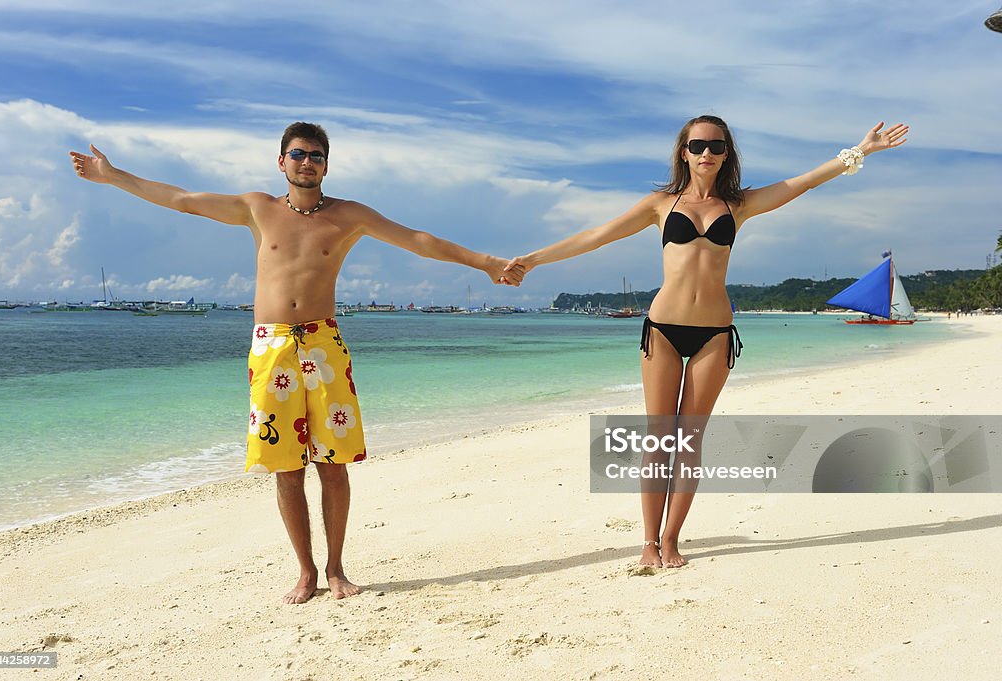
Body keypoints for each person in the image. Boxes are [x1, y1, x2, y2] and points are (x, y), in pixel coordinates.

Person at [69, 122, 524, 603]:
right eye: (298, 154)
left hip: (323, 345)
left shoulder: (350, 216)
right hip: (271, 349)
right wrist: (114, 176)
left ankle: (336, 569)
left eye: (317, 156)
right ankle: (305, 572)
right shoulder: (257, 208)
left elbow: (419, 240)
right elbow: (181, 198)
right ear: (281, 160)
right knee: (286, 467)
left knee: (334, 464)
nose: (307, 162)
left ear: (327, 164)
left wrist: (487, 262)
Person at [505, 115, 907, 568]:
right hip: (663, 329)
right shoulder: (660, 205)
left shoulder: (740, 205)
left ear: (727, 153)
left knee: (690, 439)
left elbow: (803, 183)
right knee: (659, 438)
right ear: (684, 152)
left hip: (714, 333)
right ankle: (648, 542)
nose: (707, 154)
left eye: (716, 146)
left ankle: (672, 539)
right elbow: (595, 237)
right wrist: (532, 260)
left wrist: (861, 150)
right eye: (698, 146)